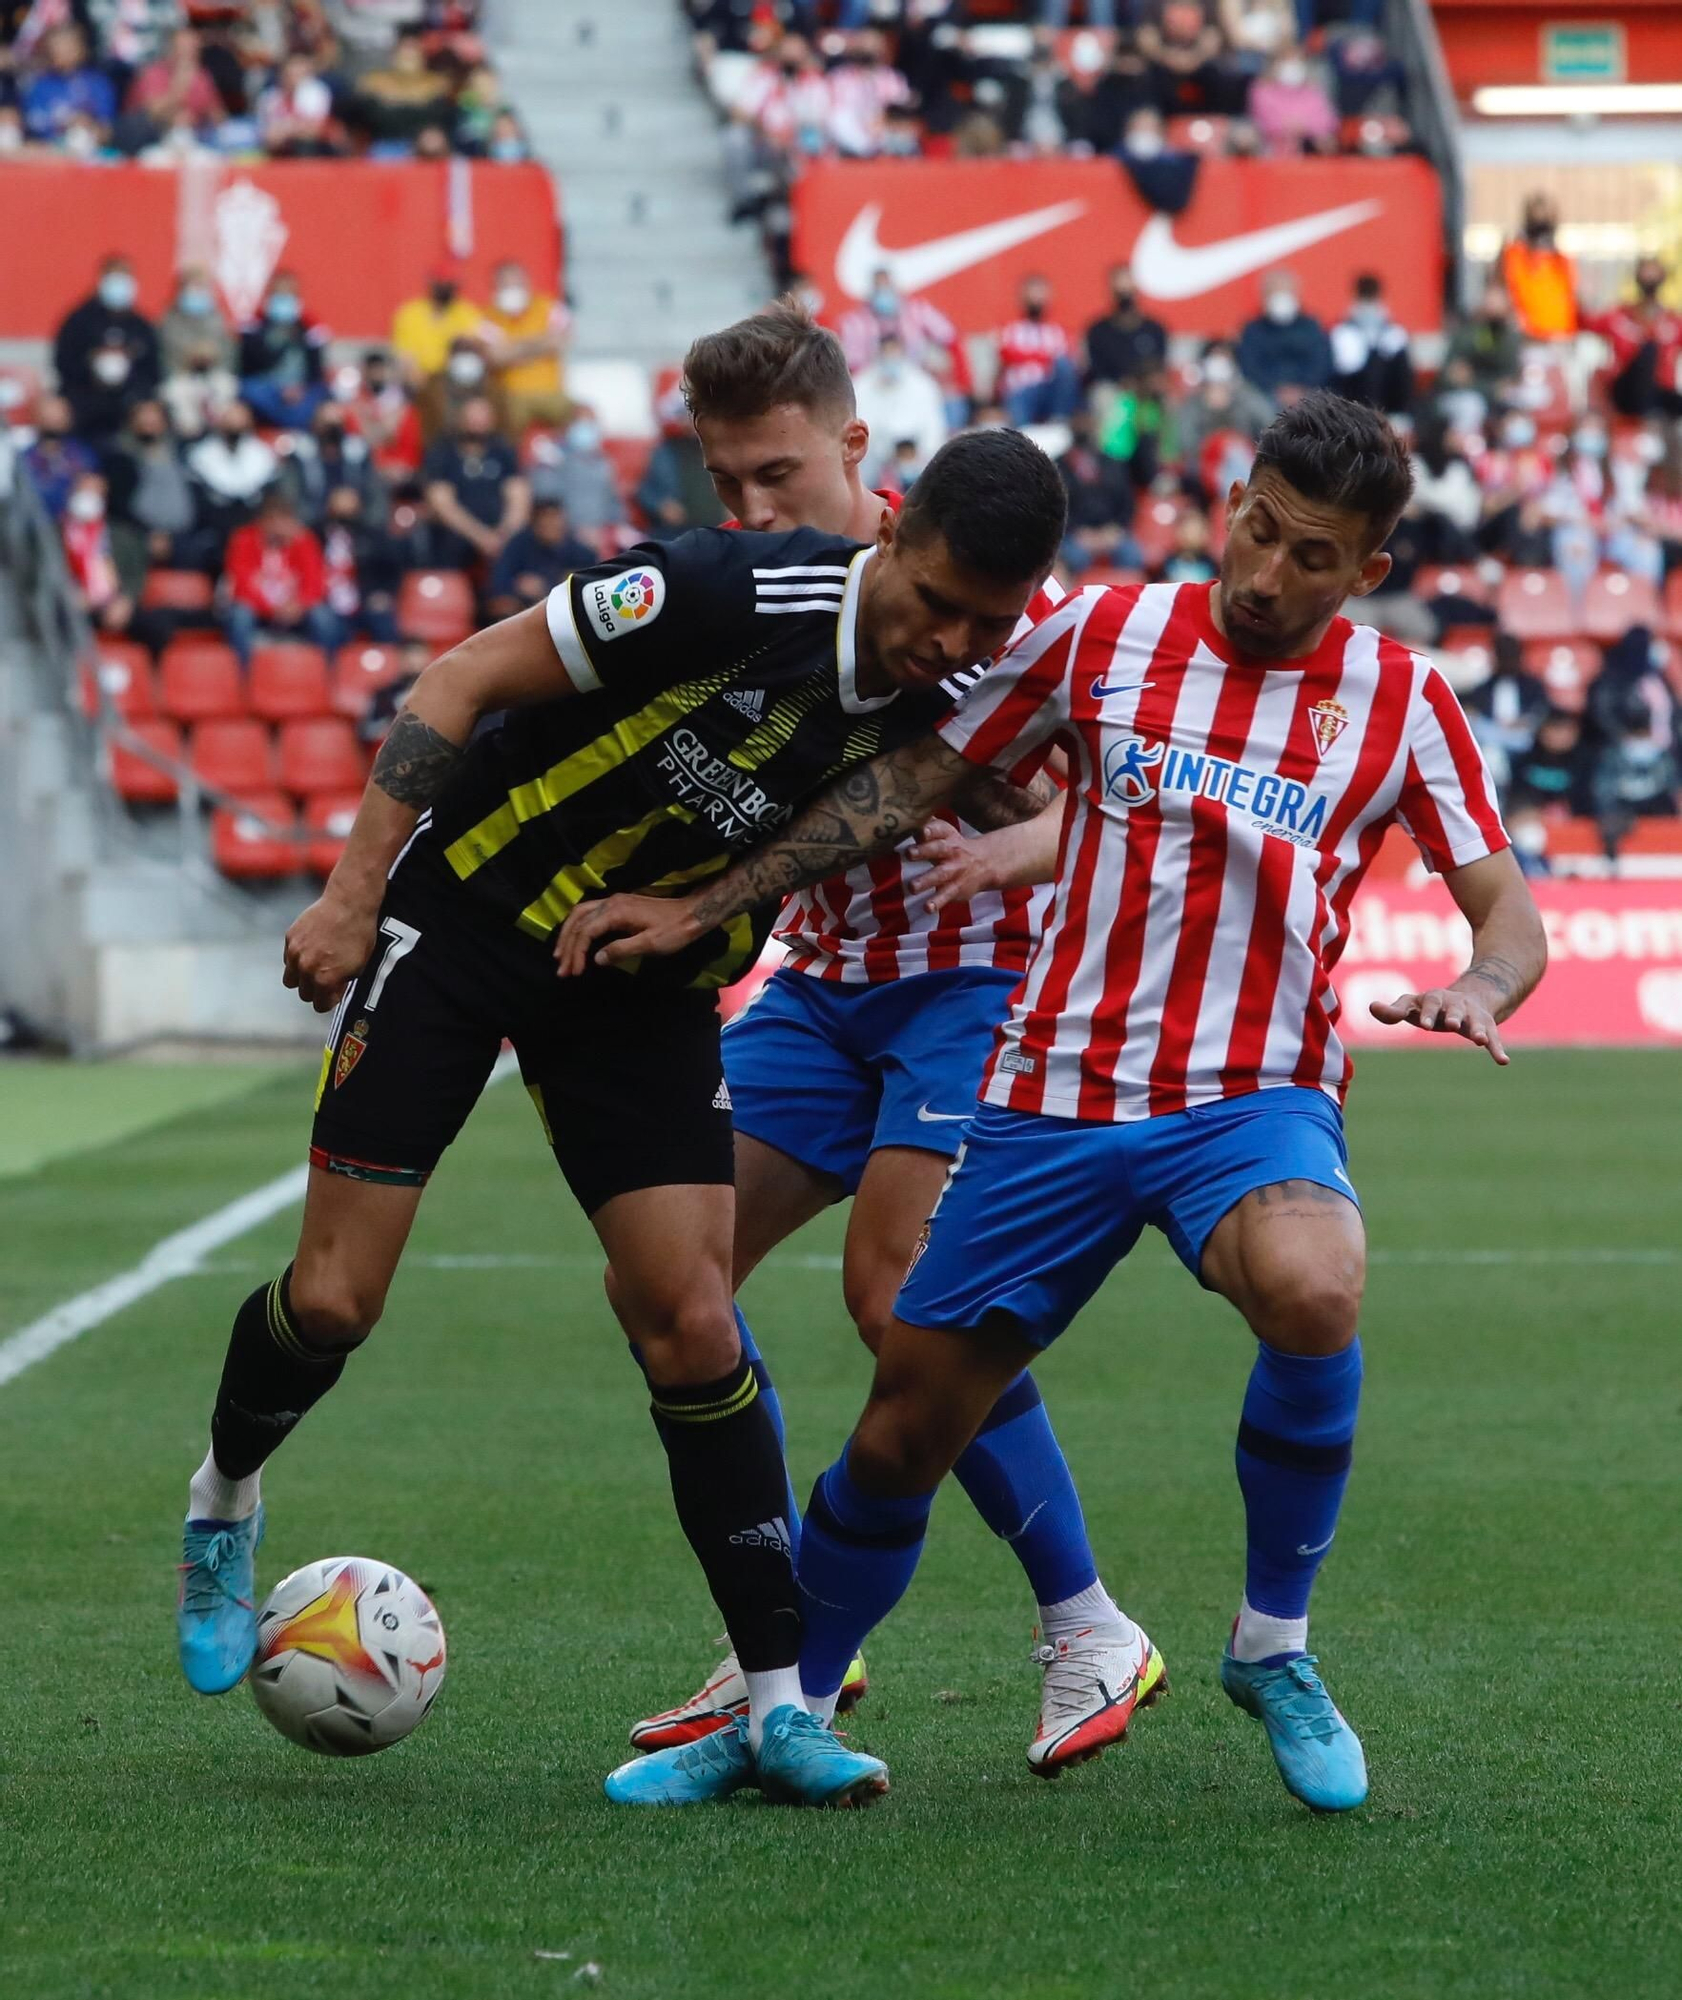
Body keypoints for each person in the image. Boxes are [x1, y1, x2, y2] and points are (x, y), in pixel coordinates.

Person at [566, 391, 1549, 1814]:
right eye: (1258, 531)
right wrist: (708, 902)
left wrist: (1483, 984)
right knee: (905, 1425)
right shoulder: (1104, 638)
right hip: (1052, 1100)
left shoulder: (1403, 702)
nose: (1269, 574)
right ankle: (777, 1710)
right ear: (1231, 502)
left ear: (1368, 572)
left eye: (1313, 558)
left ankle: (1270, 1643)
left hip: (1247, 1098)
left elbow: (1506, 911)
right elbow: (915, 769)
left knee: (1314, 1283)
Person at [170, 423, 1071, 1819]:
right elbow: (463, 674)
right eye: (932, 597)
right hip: (464, 915)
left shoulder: (951, 687)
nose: (944, 637)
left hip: (637, 970)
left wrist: (703, 914)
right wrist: (352, 897)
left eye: (982, 622)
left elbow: (1016, 776)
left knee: (693, 1320)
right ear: (887, 533)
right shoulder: (720, 590)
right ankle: (224, 1500)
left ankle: (778, 1706)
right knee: (338, 1300)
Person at [611, 306, 1153, 1787]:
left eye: (773, 476)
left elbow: (1123, 790)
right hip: (819, 984)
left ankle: (1087, 1623)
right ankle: (795, 1639)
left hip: (970, 981)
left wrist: (1022, 843)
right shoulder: (743, 590)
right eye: (723, 482)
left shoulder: (994, 589)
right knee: (671, 1280)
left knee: (898, 1296)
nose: (747, 510)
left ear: (853, 446)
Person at [220, 488, 337, 666]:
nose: (283, 525)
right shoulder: (244, 539)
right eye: (276, 519)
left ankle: (327, 674)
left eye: (286, 519)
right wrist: (271, 608)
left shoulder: (303, 540)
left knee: (322, 616)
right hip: (259, 611)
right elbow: (241, 585)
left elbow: (315, 581)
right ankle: (243, 677)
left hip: (295, 611)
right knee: (240, 615)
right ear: (264, 521)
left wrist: (299, 604)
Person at [53, 255, 161, 442]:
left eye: (124, 277)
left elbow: (153, 369)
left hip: (129, 400)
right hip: (85, 395)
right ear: (101, 280)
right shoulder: (79, 320)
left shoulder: (140, 325)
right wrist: (92, 363)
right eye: (114, 277)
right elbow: (63, 361)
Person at [422, 395, 529, 569]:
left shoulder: (503, 451)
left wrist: (505, 534)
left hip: (501, 540)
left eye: (482, 417)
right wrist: (481, 537)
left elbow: (518, 495)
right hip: (457, 540)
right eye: (472, 417)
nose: (477, 423)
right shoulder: (443, 452)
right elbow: (442, 502)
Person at [477, 259, 572, 435]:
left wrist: (514, 347)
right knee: (506, 421)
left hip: (551, 392)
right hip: (511, 395)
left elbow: (560, 342)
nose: (512, 290)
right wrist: (539, 343)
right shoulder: (488, 317)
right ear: (496, 287)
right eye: (506, 285)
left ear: (526, 282)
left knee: (579, 417)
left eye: (516, 284)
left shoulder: (549, 308)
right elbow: (495, 357)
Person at [1582, 257, 1682, 422]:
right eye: (1646, 275)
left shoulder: (1673, 322)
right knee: (1648, 351)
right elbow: (1585, 321)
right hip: (1625, 393)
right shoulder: (1619, 317)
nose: (1650, 280)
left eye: (1654, 276)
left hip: (1660, 393)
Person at [852, 334, 948, 487]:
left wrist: (917, 456)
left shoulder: (924, 384)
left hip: (916, 455)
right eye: (886, 353)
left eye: (894, 353)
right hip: (876, 461)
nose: (891, 359)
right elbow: (859, 428)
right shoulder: (860, 385)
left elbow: (934, 430)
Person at [239, 272, 330, 430]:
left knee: (322, 395)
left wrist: (300, 388)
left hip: (300, 389)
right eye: (278, 294)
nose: (283, 300)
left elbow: (316, 371)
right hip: (267, 387)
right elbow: (249, 366)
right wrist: (283, 342)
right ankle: (287, 425)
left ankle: (293, 430)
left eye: (288, 295)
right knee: (248, 389)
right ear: (269, 296)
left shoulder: (309, 327)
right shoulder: (254, 325)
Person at [486, 497, 596, 619]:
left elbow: (590, 591)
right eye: (544, 518)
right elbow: (499, 581)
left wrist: (546, 587)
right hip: (521, 612)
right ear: (534, 522)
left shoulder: (581, 552)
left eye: (554, 518)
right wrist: (515, 588)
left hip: (564, 615)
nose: (549, 524)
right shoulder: (518, 545)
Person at [994, 276, 1082, 427]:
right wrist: (1044, 357)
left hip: (1049, 389)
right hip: (1021, 390)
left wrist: (1035, 357)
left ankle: (1059, 420)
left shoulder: (1057, 332)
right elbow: (1007, 355)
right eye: (1032, 293)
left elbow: (1066, 364)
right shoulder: (1012, 330)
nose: (1036, 299)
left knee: (1064, 366)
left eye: (1040, 293)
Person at [1238, 269, 1332, 402]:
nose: (1281, 298)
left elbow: (1321, 362)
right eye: (1275, 292)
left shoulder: (1311, 326)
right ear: (1264, 296)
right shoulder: (1253, 330)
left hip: (1307, 392)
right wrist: (1276, 389)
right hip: (1267, 395)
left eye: (1285, 292)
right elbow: (1250, 366)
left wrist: (1301, 388)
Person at [1328, 273, 1414, 416]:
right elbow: (1338, 378)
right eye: (1365, 297)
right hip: (1351, 411)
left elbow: (1404, 380)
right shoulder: (1342, 334)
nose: (1368, 304)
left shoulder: (1394, 334)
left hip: (1389, 411)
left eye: (1371, 296)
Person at [1500, 193, 1577, 340]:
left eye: (1546, 220)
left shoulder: (1562, 260)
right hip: (1528, 340)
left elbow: (1571, 299)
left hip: (1561, 338)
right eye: (1536, 220)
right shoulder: (1514, 255)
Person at [22, 25, 115, 143]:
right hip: (47, 150)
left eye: (68, 46)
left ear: (82, 49)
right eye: (56, 47)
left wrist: (89, 125)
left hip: (87, 148)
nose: (61, 52)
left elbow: (107, 123)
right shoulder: (40, 84)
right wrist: (63, 122)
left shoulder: (98, 83)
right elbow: (32, 121)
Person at [1084, 268, 1168, 397]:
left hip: (1147, 388)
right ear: (1111, 292)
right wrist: (1121, 382)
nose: (1125, 296)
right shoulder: (1098, 331)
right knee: (1103, 393)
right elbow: (1097, 369)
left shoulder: (1154, 329)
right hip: (1113, 388)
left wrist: (1143, 382)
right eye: (1120, 292)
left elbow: (1159, 364)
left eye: (1128, 291)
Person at [392, 272, 484, 390]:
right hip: (422, 382)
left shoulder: (466, 312)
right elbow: (405, 357)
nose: (445, 288)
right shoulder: (410, 314)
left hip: (456, 380)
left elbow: (480, 344)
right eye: (441, 284)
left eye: (449, 284)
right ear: (431, 284)